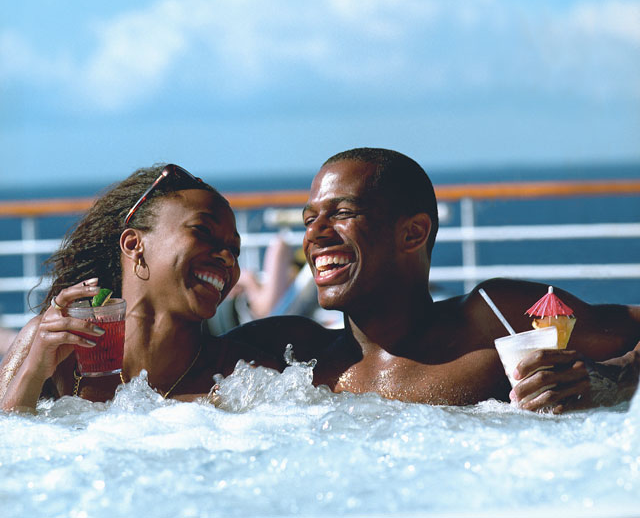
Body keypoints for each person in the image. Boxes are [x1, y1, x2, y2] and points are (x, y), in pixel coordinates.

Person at [228, 148, 640, 412]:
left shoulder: (496, 317)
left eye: (342, 213)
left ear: (413, 233)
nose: (314, 235)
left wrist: (611, 380)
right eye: (309, 219)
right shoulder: (294, 354)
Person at [0, 164, 277, 411]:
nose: (227, 257)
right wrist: (34, 373)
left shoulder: (243, 378)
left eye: (234, 250)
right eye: (202, 230)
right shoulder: (53, 347)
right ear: (134, 245)